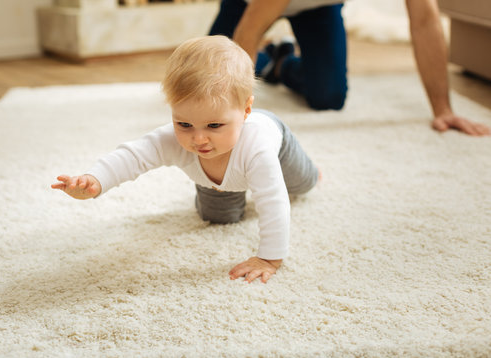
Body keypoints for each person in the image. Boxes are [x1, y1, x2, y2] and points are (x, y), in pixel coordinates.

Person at [51, 36, 319, 284]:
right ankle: (221, 181)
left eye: (214, 125)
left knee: (302, 184)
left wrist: (269, 258)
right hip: (215, 180)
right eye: (185, 123)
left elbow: (274, 202)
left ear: (246, 110)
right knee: (218, 218)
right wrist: (95, 180)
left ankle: (312, 172)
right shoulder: (173, 139)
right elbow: (133, 156)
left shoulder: (259, 149)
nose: (198, 139)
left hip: (277, 144)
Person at [209, 0, 490, 136]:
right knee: (211, 73)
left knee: (328, 97)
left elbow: (425, 21)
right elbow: (249, 30)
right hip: (247, 7)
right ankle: (264, 61)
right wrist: (237, 119)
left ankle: (278, 63)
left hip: (316, 6)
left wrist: (443, 110)